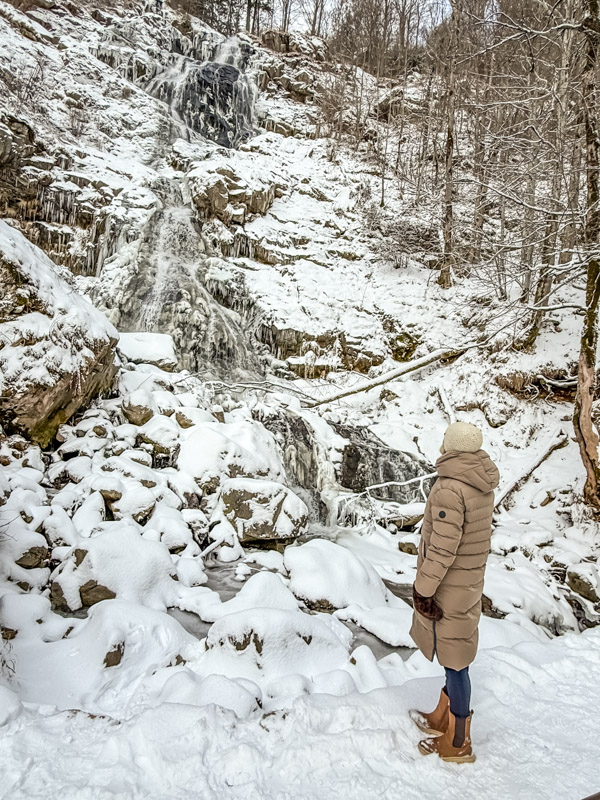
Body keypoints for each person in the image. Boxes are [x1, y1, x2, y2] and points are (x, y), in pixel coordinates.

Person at [409, 421, 499, 763]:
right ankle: (441, 718)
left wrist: (423, 589)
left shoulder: (450, 487)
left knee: (456, 663)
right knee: (456, 654)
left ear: (452, 447)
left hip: (449, 584)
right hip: (469, 581)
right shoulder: (478, 481)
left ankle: (458, 740)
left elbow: (443, 549)